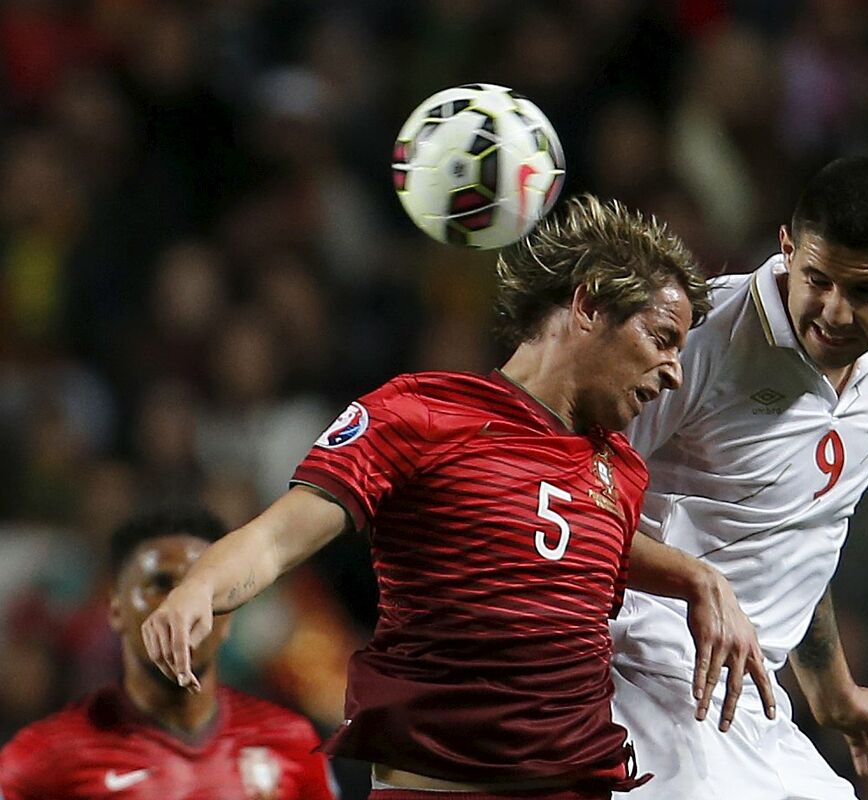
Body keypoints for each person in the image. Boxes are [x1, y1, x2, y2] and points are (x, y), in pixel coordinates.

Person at [140, 195, 770, 800]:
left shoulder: (622, 471)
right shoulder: (421, 413)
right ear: (588, 306)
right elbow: (278, 536)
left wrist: (697, 577)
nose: (675, 372)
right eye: (661, 337)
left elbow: (564, 544)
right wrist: (200, 588)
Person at [609, 157, 868, 799]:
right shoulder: (700, 339)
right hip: (646, 674)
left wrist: (833, 691)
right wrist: (696, 579)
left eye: (864, 291)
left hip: (754, 701)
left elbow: (805, 535)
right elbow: (573, 497)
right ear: (786, 248)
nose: (835, 312)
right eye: (818, 279)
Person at [0, 507, 338, 800]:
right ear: (115, 610)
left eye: (200, 588)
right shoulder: (45, 757)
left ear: (229, 617)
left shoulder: (290, 741)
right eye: (160, 585)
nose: (181, 609)